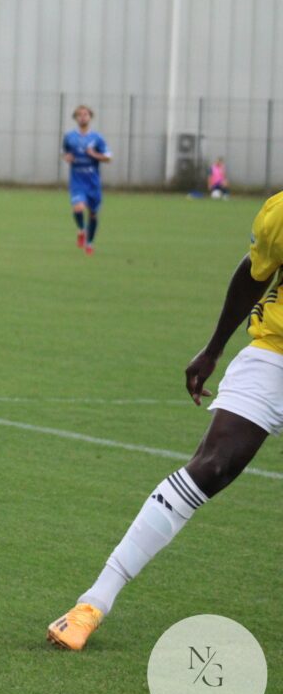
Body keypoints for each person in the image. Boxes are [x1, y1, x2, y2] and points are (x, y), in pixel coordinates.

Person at [48, 191, 283, 650]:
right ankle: (92, 603)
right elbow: (254, 271)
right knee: (213, 464)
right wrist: (214, 348)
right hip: (276, 350)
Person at [62, 105, 112, 255]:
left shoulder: (97, 138)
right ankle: (82, 229)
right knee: (78, 207)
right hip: (77, 180)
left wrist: (94, 155)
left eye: (85, 114)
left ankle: (89, 243)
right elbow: (65, 152)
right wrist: (67, 157)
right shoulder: (69, 137)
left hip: (93, 182)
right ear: (75, 118)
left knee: (93, 214)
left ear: (90, 117)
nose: (83, 117)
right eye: (79, 115)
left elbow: (108, 157)